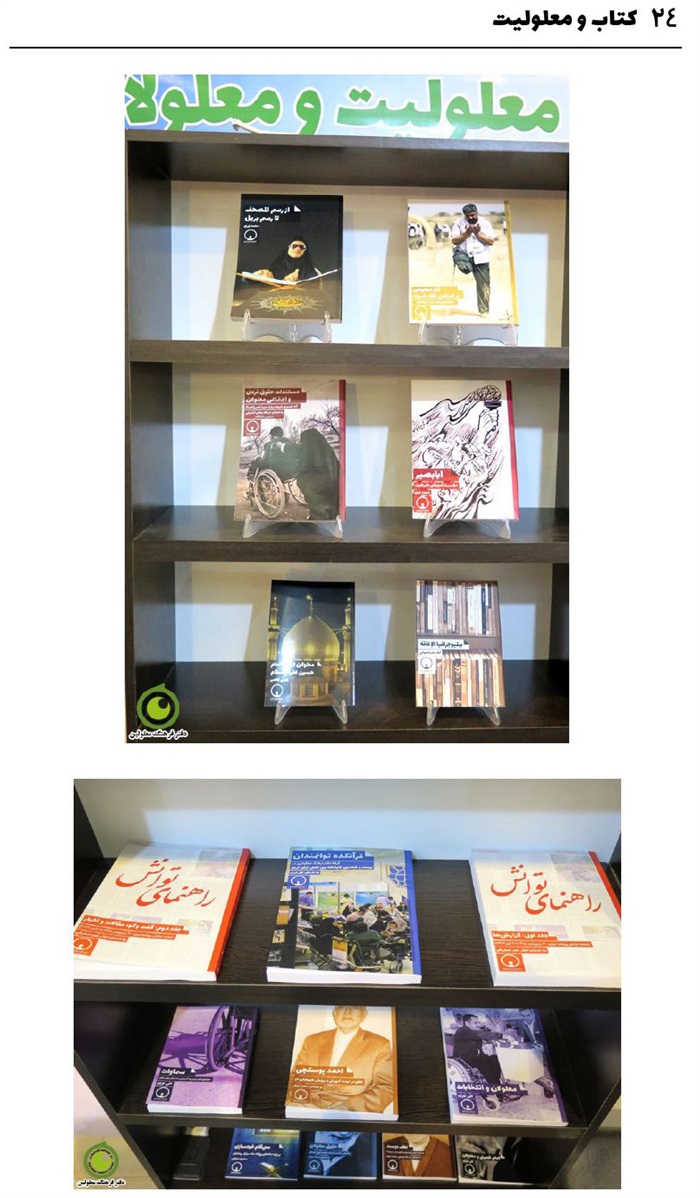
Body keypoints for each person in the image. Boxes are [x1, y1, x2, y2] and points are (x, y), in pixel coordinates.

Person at [290, 1005, 394, 1113]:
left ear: (364, 1015)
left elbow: (386, 1088)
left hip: (351, 1112)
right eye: (341, 1007)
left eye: (354, 1008)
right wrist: (301, 1099)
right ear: (334, 1013)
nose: (347, 1013)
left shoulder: (379, 1044)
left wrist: (351, 1106)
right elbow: (296, 1078)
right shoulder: (312, 1041)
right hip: (307, 1106)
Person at [450, 203, 495, 317]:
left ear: (477, 213)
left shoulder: (485, 223)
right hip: (464, 254)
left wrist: (477, 234)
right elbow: (454, 241)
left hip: (481, 256)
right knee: (464, 267)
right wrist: (467, 233)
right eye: (468, 216)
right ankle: (464, 265)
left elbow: (490, 241)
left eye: (472, 215)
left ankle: (483, 310)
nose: (470, 217)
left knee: (483, 285)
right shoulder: (458, 223)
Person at [451, 1012, 504, 1086]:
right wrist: (501, 1036)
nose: (478, 1025)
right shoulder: (462, 1031)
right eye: (475, 1023)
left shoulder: (473, 1033)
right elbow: (479, 1034)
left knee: (494, 1058)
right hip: (464, 1060)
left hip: (475, 1058)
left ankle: (495, 1084)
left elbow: (480, 1044)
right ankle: (494, 1086)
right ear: (467, 1023)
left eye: (479, 1023)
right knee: (486, 1066)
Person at [254, 237, 321, 283]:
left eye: (302, 247)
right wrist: (261, 276)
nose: (298, 248)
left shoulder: (310, 269)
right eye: (294, 246)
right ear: (288, 248)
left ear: (305, 251)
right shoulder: (277, 266)